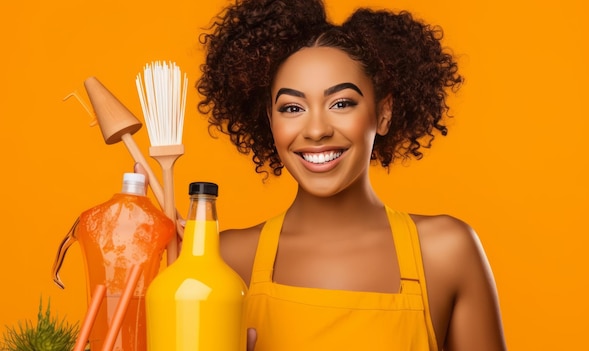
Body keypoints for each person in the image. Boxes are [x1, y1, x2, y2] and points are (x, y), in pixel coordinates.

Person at [192, 0, 507, 349]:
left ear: (383, 112)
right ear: (270, 120)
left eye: (341, 103)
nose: (316, 130)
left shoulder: (446, 252)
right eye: (292, 108)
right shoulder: (224, 261)